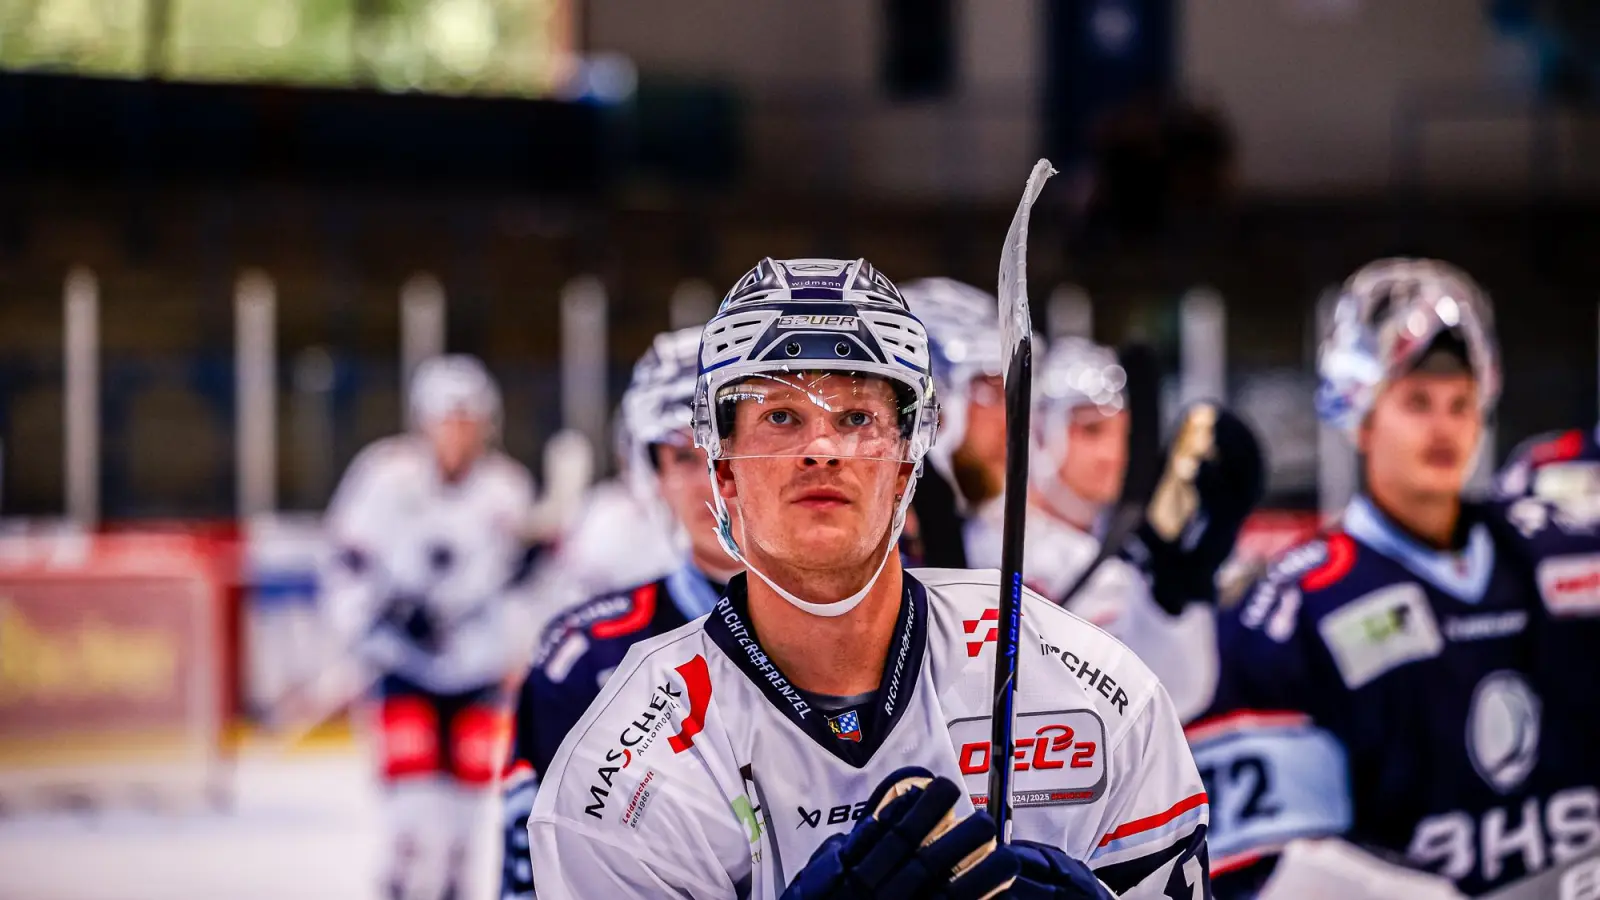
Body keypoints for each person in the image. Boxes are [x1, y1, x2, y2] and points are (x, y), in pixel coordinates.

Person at [526, 257, 1210, 899]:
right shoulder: (621, 774)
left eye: (857, 418)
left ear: (909, 464)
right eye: (781, 417)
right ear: (723, 471)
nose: (822, 449)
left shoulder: (1092, 691)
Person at [1187, 258, 1600, 898]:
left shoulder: (1566, 554)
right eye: (1416, 402)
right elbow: (1261, 863)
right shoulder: (1291, 612)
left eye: (1460, 403)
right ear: (1361, 416)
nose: (1444, 426)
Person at [500, 326, 740, 899]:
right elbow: (534, 873)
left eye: (726, 447)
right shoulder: (585, 655)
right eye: (684, 456)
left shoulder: (873, 619)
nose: (712, 479)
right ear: (650, 475)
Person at [321, 354, 537, 900]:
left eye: (468, 419)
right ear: (423, 420)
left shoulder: (507, 491)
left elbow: (525, 591)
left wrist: (511, 635)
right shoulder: (384, 477)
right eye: (448, 418)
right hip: (404, 669)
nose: (458, 432)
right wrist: (375, 622)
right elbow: (345, 564)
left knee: (464, 831)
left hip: (476, 674)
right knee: (409, 826)